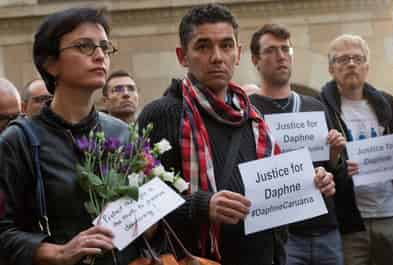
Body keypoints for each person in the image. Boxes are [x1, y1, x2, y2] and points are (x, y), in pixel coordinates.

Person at [138, 4, 336, 265]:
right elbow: (142, 205)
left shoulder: (254, 117)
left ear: (238, 53)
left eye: (226, 45)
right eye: (203, 46)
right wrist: (201, 206)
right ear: (182, 56)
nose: (217, 57)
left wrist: (311, 183)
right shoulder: (162, 113)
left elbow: (274, 187)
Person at [0, 7, 141, 265]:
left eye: (105, 47)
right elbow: (3, 233)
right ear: (50, 64)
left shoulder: (121, 133)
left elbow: (139, 217)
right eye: (85, 46)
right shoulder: (17, 141)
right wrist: (60, 253)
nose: (100, 55)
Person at [249, 23, 345, 265]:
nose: (281, 56)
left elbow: (335, 172)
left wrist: (334, 156)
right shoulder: (247, 110)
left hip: (325, 229)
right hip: (281, 235)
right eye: (271, 50)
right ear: (255, 60)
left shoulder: (316, 106)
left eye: (286, 49)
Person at [319, 34, 393, 265]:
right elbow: (320, 164)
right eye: (342, 59)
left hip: (392, 216)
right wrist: (336, 160)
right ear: (331, 68)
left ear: (367, 66)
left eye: (357, 58)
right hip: (350, 224)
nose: (350, 64)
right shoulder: (321, 109)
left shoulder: (389, 104)